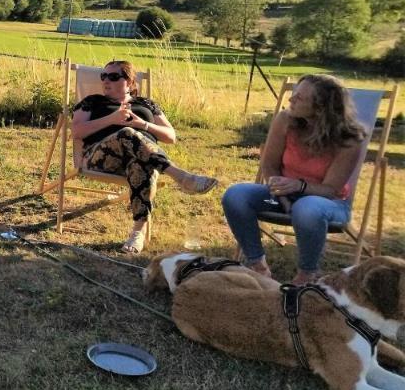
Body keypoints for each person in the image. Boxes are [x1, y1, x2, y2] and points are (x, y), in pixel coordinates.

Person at [222, 74, 365, 285]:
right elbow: (269, 165)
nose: (291, 100)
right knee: (235, 195)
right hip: (282, 195)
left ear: (320, 108)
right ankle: (257, 265)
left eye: (299, 98)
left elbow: (331, 189)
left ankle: (307, 274)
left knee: (306, 208)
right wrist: (278, 188)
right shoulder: (285, 120)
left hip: (328, 203)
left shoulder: (349, 139)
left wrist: (300, 186)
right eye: (293, 94)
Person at [71, 59, 217, 254]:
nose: (106, 81)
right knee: (127, 134)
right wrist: (112, 119)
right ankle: (180, 177)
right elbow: (77, 132)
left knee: (143, 164)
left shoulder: (146, 104)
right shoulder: (92, 101)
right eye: (103, 76)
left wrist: (143, 125)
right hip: (100, 157)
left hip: (141, 158)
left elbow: (171, 137)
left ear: (130, 82)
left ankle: (137, 233)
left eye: (114, 77)